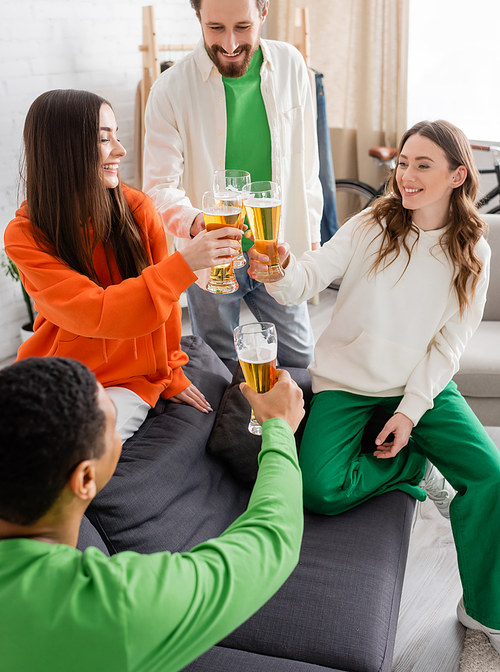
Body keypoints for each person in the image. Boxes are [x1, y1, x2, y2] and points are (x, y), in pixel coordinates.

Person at [248, 119, 500, 655]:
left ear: (458, 175)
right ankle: (413, 467)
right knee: (319, 488)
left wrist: (410, 412)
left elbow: (449, 344)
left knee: (489, 477)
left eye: (422, 165)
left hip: (421, 386)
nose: (406, 176)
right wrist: (278, 270)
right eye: (403, 163)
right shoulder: (372, 225)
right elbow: (306, 279)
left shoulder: (473, 251)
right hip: (348, 381)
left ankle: (484, 611)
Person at [0, 356, 305, 672]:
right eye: (112, 426)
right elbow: (272, 540)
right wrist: (279, 425)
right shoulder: (114, 607)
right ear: (86, 479)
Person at [4, 89, 242, 442]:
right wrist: (183, 265)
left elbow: (167, 311)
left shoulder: (137, 210)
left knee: (74, 449)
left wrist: (172, 373)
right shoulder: (24, 234)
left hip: (127, 379)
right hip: (56, 370)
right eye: (104, 138)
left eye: (116, 135)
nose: (120, 149)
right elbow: (94, 313)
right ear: (63, 149)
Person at [143, 0, 323, 368]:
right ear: (199, 20)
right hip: (210, 258)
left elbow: (307, 164)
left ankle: (289, 434)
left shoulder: (293, 66)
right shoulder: (169, 90)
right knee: (220, 368)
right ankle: (234, 436)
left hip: (277, 250)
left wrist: (310, 239)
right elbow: (158, 187)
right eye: (215, 27)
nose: (229, 43)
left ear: (263, 12)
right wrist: (196, 222)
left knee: (301, 362)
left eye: (242, 26)